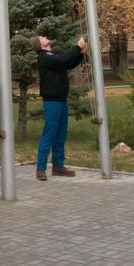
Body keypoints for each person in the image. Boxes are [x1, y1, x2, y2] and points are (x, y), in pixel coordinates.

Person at [34, 34, 87, 179]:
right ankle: (40, 169)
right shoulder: (43, 56)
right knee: (49, 133)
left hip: (62, 99)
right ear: (40, 45)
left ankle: (58, 166)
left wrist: (80, 54)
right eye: (42, 37)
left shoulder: (52, 55)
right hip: (52, 101)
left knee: (61, 134)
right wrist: (77, 47)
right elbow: (63, 59)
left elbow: (68, 63)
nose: (45, 37)